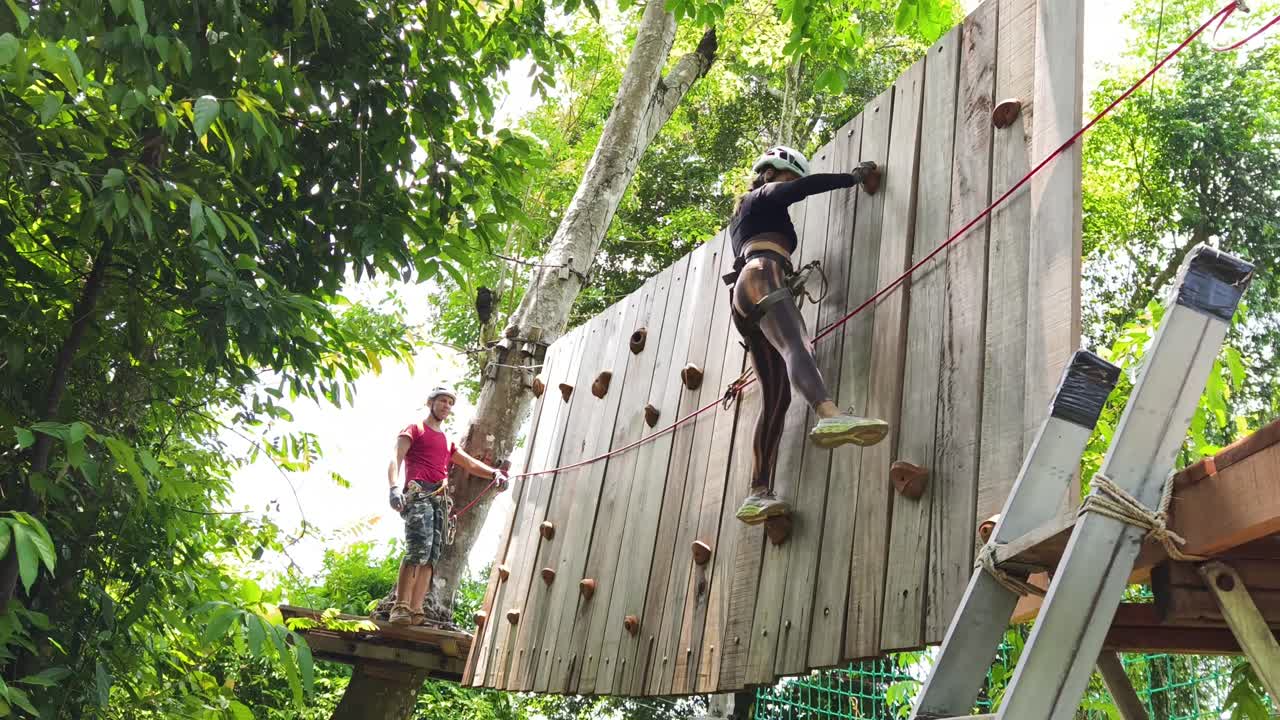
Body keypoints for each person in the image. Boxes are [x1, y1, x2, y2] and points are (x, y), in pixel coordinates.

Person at [726, 145, 889, 526]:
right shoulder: (761, 194)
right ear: (774, 172)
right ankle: (829, 415)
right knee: (796, 342)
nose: (791, 186)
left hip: (744, 292)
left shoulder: (743, 214)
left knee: (777, 398)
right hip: (762, 273)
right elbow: (802, 189)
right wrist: (852, 177)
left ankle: (757, 492)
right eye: (789, 178)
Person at [386, 386, 509, 626]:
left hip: (439, 499)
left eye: (450, 403)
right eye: (443, 401)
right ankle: (400, 606)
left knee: (433, 554)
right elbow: (396, 457)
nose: (446, 406)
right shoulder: (414, 429)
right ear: (430, 402)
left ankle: (416, 608)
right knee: (418, 548)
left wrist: (494, 473)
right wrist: (393, 488)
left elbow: (470, 464)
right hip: (418, 493)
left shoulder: (445, 440)